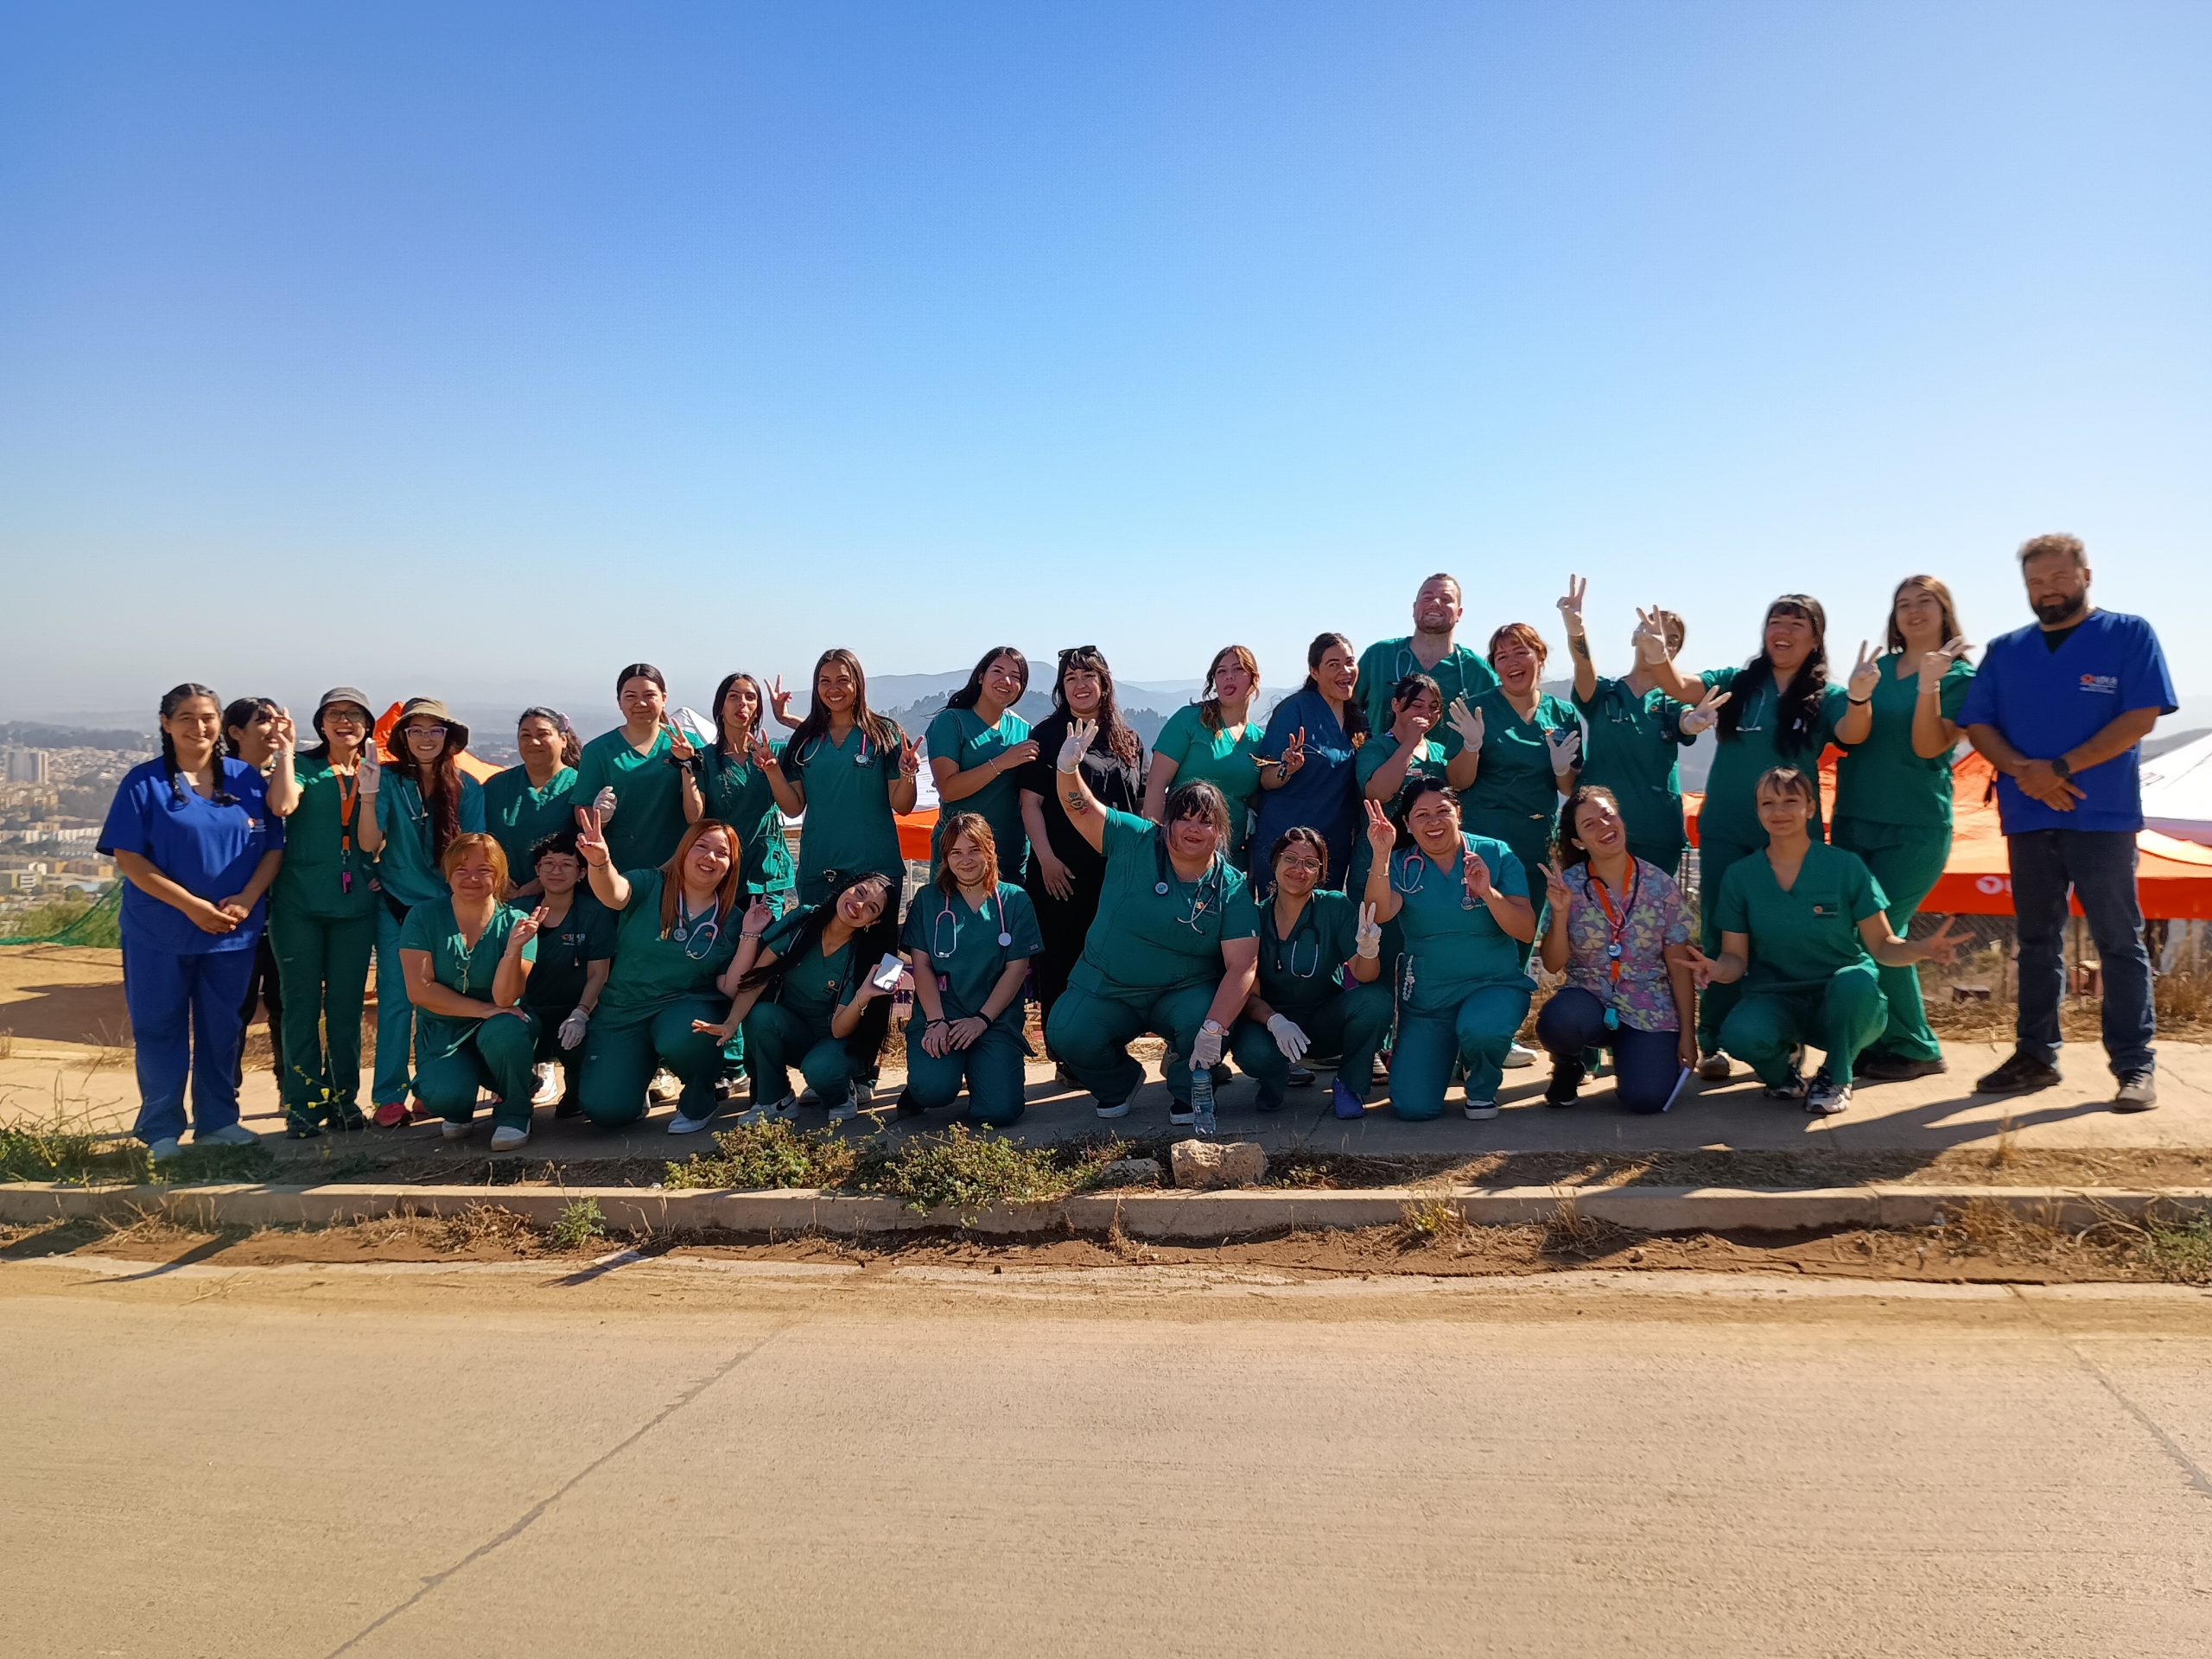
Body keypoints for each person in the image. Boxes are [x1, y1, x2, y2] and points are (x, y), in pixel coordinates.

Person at [1959, 533, 2177, 1109]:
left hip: (2102, 815)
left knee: (2118, 940)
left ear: (2086, 576)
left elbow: (2141, 717)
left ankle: (2135, 1065)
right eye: (2036, 582)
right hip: (2027, 815)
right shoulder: (2007, 649)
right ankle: (2035, 1057)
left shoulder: (2128, 633)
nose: (2047, 590)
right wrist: (2022, 772)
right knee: (2036, 941)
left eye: (2058, 578)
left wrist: (2059, 768)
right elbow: (1978, 724)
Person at [1637, 594, 1850, 1079]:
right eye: (1776, 620)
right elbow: (1680, 685)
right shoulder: (1738, 682)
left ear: (1815, 638)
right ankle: (1712, 1037)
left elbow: (1854, 734)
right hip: (1726, 830)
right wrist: (1657, 655)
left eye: (1797, 623)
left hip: (1792, 838)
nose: (1783, 630)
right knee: (1720, 930)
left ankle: (1785, 1035)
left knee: (1786, 933)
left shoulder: (1827, 696)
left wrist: (1859, 697)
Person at [1685, 768, 1965, 1115]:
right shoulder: (1740, 876)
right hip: (1776, 997)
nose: (1779, 811)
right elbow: (1735, 959)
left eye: (1790, 801)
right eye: (1768, 803)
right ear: (1758, 811)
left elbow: (1882, 946)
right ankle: (1781, 1072)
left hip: (1843, 1000)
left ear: (1811, 808)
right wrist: (1716, 969)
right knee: (1741, 1035)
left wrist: (1920, 950)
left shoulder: (1845, 867)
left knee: (1856, 983)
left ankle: (1836, 1075)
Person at [98, 684, 286, 1158]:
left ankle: (218, 1121)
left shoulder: (246, 779)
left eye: (207, 717)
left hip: (231, 931)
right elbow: (130, 859)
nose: (198, 727)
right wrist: (191, 906)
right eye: (185, 717)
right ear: (166, 724)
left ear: (220, 723)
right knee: (158, 1027)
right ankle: (161, 1130)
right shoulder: (143, 783)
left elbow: (273, 848)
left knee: (222, 1028)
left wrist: (247, 899)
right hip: (159, 931)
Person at [1045, 719, 1260, 1123]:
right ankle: (1119, 1082)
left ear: (1220, 832)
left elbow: (1243, 966)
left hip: (1183, 993)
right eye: (1185, 818)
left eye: (1206, 822)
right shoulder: (1134, 838)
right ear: (1167, 822)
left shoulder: (1229, 886)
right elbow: (1081, 808)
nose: (1194, 829)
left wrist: (1214, 1029)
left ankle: (1188, 1086)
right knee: (1066, 1033)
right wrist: (1067, 770)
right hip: (1107, 987)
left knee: (1209, 1019)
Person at [1830, 576, 1976, 1082]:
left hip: (1915, 826)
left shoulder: (1961, 677)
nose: (1913, 611)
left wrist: (1929, 685)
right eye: (1903, 604)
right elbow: (1850, 735)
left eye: (1924, 602)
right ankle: (1882, 1040)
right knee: (1860, 933)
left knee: (1882, 933)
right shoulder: (1877, 670)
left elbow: (1928, 746)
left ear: (1944, 610)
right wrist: (1856, 694)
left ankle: (1917, 1047)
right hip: (1853, 818)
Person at [574, 810, 760, 1133]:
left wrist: (750, 934)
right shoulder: (650, 885)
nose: (710, 857)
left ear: (730, 866)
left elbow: (730, 988)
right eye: (702, 847)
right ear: (684, 850)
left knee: (684, 1035)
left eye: (722, 853)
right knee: (606, 1110)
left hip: (683, 1010)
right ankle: (635, 1080)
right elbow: (614, 894)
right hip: (624, 1011)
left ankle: (700, 1099)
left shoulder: (731, 919)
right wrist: (601, 863)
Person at [1371, 778, 1536, 1121]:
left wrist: (1488, 892)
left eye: (1443, 811)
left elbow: (1524, 930)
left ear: (1458, 813)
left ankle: (1481, 1083)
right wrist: (1381, 856)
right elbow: (1380, 913)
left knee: (1481, 1029)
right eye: (1421, 815)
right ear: (1407, 824)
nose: (1433, 822)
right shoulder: (1400, 863)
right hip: (1429, 999)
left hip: (1492, 986)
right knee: (1413, 1107)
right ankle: (1450, 1053)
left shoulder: (1494, 853)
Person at [1534, 785, 1698, 1113]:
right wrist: (1561, 912)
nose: (1604, 826)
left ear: (1621, 819)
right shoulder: (1568, 885)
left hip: (1648, 1007)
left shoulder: (1660, 885)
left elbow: (1679, 967)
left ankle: (1635, 1054)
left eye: (1608, 815)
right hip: (1589, 999)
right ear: (1579, 841)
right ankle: (1569, 1064)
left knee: (1646, 1100)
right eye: (1589, 824)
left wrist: (1687, 1035)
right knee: (1558, 1021)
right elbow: (1552, 964)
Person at [266, 687, 385, 1137]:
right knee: (299, 1004)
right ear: (320, 723)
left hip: (355, 904)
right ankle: (302, 1104)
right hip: (298, 902)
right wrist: (285, 753)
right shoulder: (304, 766)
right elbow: (282, 805)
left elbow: (379, 838)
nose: (344, 721)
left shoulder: (379, 771)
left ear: (368, 724)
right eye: (334, 714)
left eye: (354, 714)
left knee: (345, 1007)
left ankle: (343, 1099)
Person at [1019, 646, 1147, 1058]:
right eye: (1070, 678)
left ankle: (1107, 1047)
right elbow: (1030, 803)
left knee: (1112, 962)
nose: (1079, 685)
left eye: (1087, 676)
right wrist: (1045, 859)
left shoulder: (1128, 739)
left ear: (1104, 683)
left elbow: (1139, 806)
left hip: (1116, 874)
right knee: (1062, 964)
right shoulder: (1046, 735)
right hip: (1061, 872)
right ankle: (1064, 1052)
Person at [696, 871, 898, 1125]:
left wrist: (863, 996)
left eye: (871, 908)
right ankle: (776, 1100)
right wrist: (731, 1022)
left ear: (874, 921)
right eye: (859, 892)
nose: (859, 905)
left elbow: (838, 1030)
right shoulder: (804, 920)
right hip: (794, 1033)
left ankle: (841, 1094)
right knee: (761, 1016)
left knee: (821, 1070)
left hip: (834, 1043)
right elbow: (759, 978)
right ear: (848, 887)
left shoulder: (862, 956)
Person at [1230, 813, 1395, 1118]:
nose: (1299, 869)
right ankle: (1274, 1080)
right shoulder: (1254, 917)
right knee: (1252, 1052)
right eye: (1290, 859)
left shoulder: (1333, 907)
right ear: (1275, 863)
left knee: (1376, 1001)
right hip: (1272, 1025)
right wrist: (1275, 1021)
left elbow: (1365, 975)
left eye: (1310, 863)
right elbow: (1246, 994)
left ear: (1320, 873)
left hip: (1324, 1023)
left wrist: (1368, 950)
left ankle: (1349, 1083)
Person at [370, 698, 486, 1127]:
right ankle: (388, 1095)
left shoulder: (467, 786)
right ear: (403, 737)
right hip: (397, 903)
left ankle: (430, 1086)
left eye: (434, 730)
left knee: (440, 1001)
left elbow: (474, 849)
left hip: (447, 907)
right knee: (397, 1000)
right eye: (415, 730)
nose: (425, 738)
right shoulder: (386, 781)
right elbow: (370, 840)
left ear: (448, 736)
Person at [1557, 577, 1719, 877]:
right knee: (1589, 905)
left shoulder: (1673, 701)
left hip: (1655, 834)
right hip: (1595, 833)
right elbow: (1583, 669)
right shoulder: (1604, 694)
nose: (1661, 640)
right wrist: (1576, 632)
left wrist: (1693, 722)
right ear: (1634, 637)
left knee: (1651, 907)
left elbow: (1684, 722)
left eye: (1671, 639)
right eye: (1652, 630)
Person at [896, 814, 1043, 1127]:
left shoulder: (1015, 900)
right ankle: (928, 1081)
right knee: (932, 1090)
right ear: (945, 857)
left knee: (999, 1112)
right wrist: (936, 1021)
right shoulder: (928, 900)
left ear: (990, 849)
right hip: (942, 1016)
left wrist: (982, 1020)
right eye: (956, 852)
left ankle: (983, 1074)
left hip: (994, 1020)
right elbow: (922, 966)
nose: (966, 860)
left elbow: (1017, 969)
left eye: (974, 850)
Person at [398, 833, 542, 1151]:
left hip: (500, 1024)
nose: (472, 878)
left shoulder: (517, 923)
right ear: (448, 874)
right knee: (443, 1097)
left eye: (484, 870)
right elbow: (420, 990)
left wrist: (512, 951)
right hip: (444, 1027)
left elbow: (505, 1000)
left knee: (506, 1030)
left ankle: (515, 1111)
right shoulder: (422, 917)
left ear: (500, 876)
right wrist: (483, 1009)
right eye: (461, 869)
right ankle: (462, 1101)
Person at [761, 648, 920, 906]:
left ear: (858, 683)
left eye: (843, 680)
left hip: (874, 873)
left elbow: (902, 806)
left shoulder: (883, 733)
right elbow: (792, 808)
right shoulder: (805, 739)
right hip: (819, 871)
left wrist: (907, 773)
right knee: (816, 934)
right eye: (825, 681)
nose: (833, 689)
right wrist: (772, 771)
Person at [221, 696, 298, 1093]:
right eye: (263, 720)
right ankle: (223, 1094)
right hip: (233, 911)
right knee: (235, 1006)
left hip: (284, 909)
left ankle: (292, 1089)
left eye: (277, 718)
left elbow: (284, 808)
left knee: (286, 1004)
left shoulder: (286, 774)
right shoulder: (217, 781)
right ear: (235, 732)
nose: (274, 727)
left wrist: (286, 756)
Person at [1251, 632, 1366, 891]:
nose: (1345, 671)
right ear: (1314, 672)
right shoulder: (1295, 710)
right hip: (1287, 843)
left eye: (1349, 662)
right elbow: (1266, 779)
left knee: (1324, 914)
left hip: (1332, 846)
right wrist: (1287, 768)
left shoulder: (1358, 720)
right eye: (1333, 665)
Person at [514, 828, 614, 1116]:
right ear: (537, 870)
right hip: (527, 1010)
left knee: (583, 1047)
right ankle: (515, 1095)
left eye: (567, 864)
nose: (556, 871)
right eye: (548, 864)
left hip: (575, 1011)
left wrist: (581, 1013)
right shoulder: (515, 912)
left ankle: (577, 1091)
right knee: (506, 1037)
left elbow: (599, 973)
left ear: (581, 873)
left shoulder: (595, 914)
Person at [677, 672, 795, 912]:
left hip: (766, 873)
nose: (742, 703)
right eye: (733, 696)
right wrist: (687, 766)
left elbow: (793, 809)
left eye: (750, 697)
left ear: (758, 711)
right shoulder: (704, 758)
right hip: (719, 871)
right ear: (720, 707)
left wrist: (785, 719)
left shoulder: (776, 752)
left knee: (765, 933)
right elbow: (694, 817)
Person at [1145, 645, 1266, 864]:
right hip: (1178, 852)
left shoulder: (1259, 740)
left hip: (1230, 858)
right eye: (1221, 671)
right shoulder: (1189, 720)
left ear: (1254, 679)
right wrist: (1152, 844)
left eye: (1238, 669)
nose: (1229, 676)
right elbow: (1156, 783)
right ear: (1214, 681)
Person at [926, 646, 1037, 878]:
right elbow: (948, 789)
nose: (1006, 681)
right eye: (998, 671)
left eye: (1015, 676)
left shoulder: (1025, 731)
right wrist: (1002, 762)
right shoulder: (951, 722)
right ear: (980, 677)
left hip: (1010, 857)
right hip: (959, 857)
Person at [573, 664, 688, 874]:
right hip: (618, 869)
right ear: (619, 702)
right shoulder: (598, 751)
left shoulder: (686, 744)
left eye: (649, 695)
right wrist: (600, 816)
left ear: (664, 698)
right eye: (630, 696)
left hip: (677, 867)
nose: (640, 703)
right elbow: (581, 814)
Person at [1356, 572, 1501, 734]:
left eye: (1445, 599)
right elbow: (1344, 709)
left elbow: (1501, 723)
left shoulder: (1477, 671)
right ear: (1414, 608)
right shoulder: (1379, 656)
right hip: (1380, 751)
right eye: (1427, 597)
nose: (1435, 603)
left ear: (1459, 613)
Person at [483, 707, 579, 899]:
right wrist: (496, 877)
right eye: (525, 736)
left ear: (563, 740)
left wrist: (543, 881)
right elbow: (477, 838)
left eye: (543, 734)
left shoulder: (580, 786)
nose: (533, 742)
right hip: (501, 896)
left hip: (562, 900)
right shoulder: (496, 786)